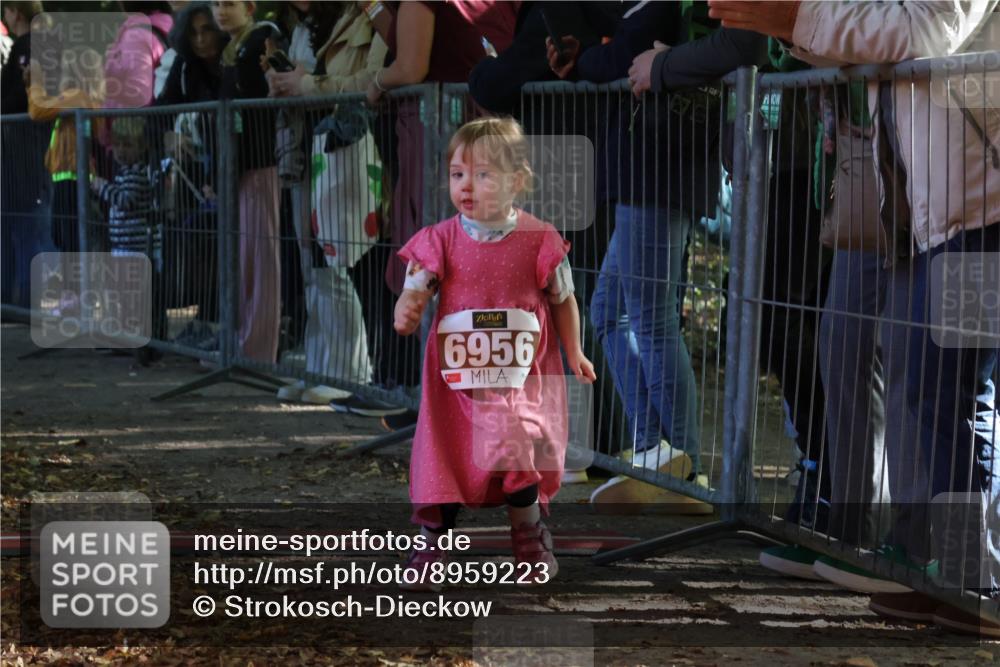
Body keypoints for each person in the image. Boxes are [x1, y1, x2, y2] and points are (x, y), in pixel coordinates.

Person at [709, 0, 1000, 637]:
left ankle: (974, 577)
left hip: (983, 207)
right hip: (936, 208)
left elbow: (924, 31)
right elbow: (876, 39)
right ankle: (945, 568)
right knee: (931, 389)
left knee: (958, 394)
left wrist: (796, 16)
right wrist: (785, 24)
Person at [392, 118, 596, 587]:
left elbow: (563, 299)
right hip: (456, 385)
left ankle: (528, 536)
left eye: (483, 175)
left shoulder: (540, 239)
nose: (467, 186)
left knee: (516, 449)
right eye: (457, 174)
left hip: (518, 380)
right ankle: (432, 540)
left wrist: (575, 351)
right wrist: (408, 306)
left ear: (516, 181)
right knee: (443, 456)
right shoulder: (441, 239)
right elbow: (416, 286)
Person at [546, 0, 715, 513]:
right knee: (608, 312)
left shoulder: (662, 6)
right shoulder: (641, 9)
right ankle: (654, 450)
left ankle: (684, 464)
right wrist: (596, 52)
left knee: (651, 320)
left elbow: (619, 57)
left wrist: (594, 58)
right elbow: (615, 48)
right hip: (640, 175)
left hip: (660, 172)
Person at [363, 0, 517, 427]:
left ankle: (450, 409)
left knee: (435, 263)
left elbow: (410, 66)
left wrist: (375, 81)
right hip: (474, 132)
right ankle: (449, 402)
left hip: (437, 133)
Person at [267, 1, 395, 412]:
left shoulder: (375, 16)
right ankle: (323, 366)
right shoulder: (321, 22)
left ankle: (347, 371)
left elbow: (366, 78)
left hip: (351, 147)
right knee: (314, 264)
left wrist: (307, 85)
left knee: (338, 260)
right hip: (313, 144)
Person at [214, 0, 283, 363]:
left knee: (261, 260)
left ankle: (258, 350)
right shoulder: (228, 47)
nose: (220, 10)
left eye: (229, 3)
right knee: (243, 259)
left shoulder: (264, 37)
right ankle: (242, 343)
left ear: (250, 7)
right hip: (238, 167)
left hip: (262, 162)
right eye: (215, 3)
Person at [1, 1, 52, 309]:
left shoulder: (31, 47)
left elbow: (22, 99)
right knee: (14, 225)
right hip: (18, 153)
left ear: (14, 13)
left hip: (27, 152)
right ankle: (12, 301)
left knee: (30, 226)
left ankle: (28, 301)